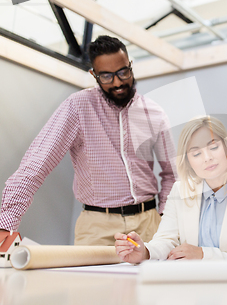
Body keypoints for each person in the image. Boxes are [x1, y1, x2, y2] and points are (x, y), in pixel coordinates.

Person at [0, 35, 177, 245]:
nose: (118, 82)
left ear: (130, 66)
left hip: (149, 224)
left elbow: (171, 175)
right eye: (107, 76)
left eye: (123, 72)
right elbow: (36, 164)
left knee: (153, 279)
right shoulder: (77, 107)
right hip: (97, 228)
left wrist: (166, 219)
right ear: (94, 75)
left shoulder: (154, 113)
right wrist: (5, 225)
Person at [115, 116, 227, 261]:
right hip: (188, 287)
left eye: (213, 147)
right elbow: (165, 240)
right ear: (188, 162)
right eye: (196, 153)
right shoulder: (179, 191)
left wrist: (203, 255)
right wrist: (145, 252)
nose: (207, 158)